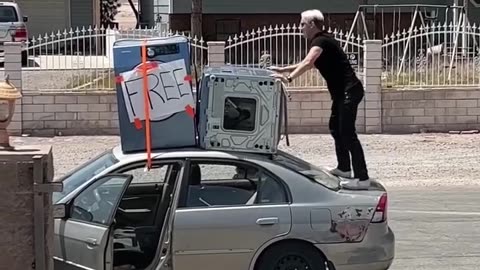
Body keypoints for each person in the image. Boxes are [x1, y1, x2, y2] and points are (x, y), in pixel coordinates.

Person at [269, 9, 370, 190]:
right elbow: (308, 62)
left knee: (347, 133)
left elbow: (308, 63)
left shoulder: (321, 41)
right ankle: (344, 168)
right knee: (335, 128)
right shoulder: (322, 41)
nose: (300, 28)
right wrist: (284, 69)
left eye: (302, 24)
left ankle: (363, 179)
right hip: (342, 93)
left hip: (350, 91)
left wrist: (289, 78)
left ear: (311, 25)